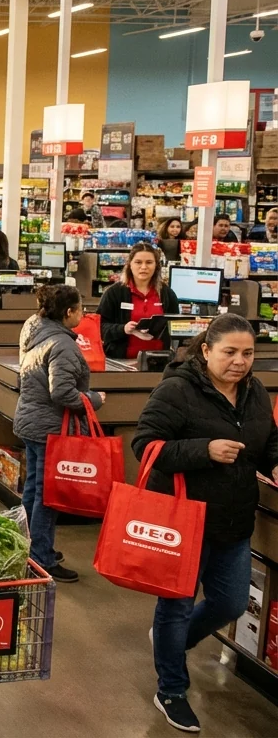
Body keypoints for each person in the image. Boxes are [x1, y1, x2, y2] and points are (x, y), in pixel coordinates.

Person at [131, 314, 278, 732]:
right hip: (182, 521)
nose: (239, 361)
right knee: (175, 607)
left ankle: (170, 643)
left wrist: (275, 463)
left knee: (231, 603)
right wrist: (204, 450)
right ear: (207, 350)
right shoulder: (178, 390)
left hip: (233, 519)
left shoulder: (255, 392)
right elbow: (145, 445)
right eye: (229, 352)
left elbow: (269, 441)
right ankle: (171, 689)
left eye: (247, 353)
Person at [14, 284, 104, 584]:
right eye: (81, 309)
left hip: (30, 420)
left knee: (33, 488)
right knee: (48, 496)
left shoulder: (34, 326)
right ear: (68, 312)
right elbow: (63, 393)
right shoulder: (63, 344)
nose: (84, 314)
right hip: (49, 428)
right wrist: (94, 399)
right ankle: (41, 557)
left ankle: (26, 546)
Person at [96, 242, 181, 360]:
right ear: (130, 264)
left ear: (156, 265)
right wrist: (123, 329)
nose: (144, 267)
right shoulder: (114, 293)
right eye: (138, 262)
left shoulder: (167, 294)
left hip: (160, 362)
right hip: (121, 362)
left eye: (149, 262)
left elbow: (176, 326)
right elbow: (99, 326)